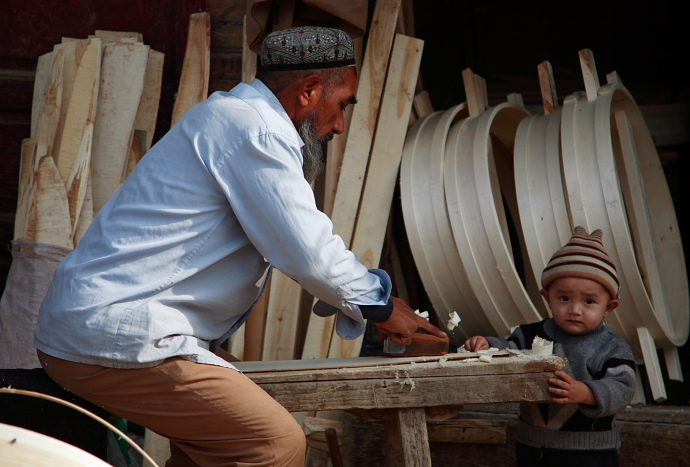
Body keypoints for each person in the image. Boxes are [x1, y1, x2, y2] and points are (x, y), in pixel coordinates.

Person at [34, 26, 445, 467]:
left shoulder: (236, 120)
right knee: (275, 445)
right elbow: (307, 250)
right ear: (308, 90)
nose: (340, 125)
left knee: (215, 450)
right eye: (342, 104)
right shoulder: (256, 132)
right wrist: (380, 306)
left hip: (105, 324)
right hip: (113, 329)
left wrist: (370, 303)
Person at [463, 226, 636, 467]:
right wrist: (486, 346)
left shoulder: (611, 347)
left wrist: (585, 393)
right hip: (532, 447)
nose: (575, 309)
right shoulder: (530, 335)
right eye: (564, 298)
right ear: (547, 297)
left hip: (589, 453)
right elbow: (507, 350)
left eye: (589, 301)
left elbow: (623, 389)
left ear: (609, 308)